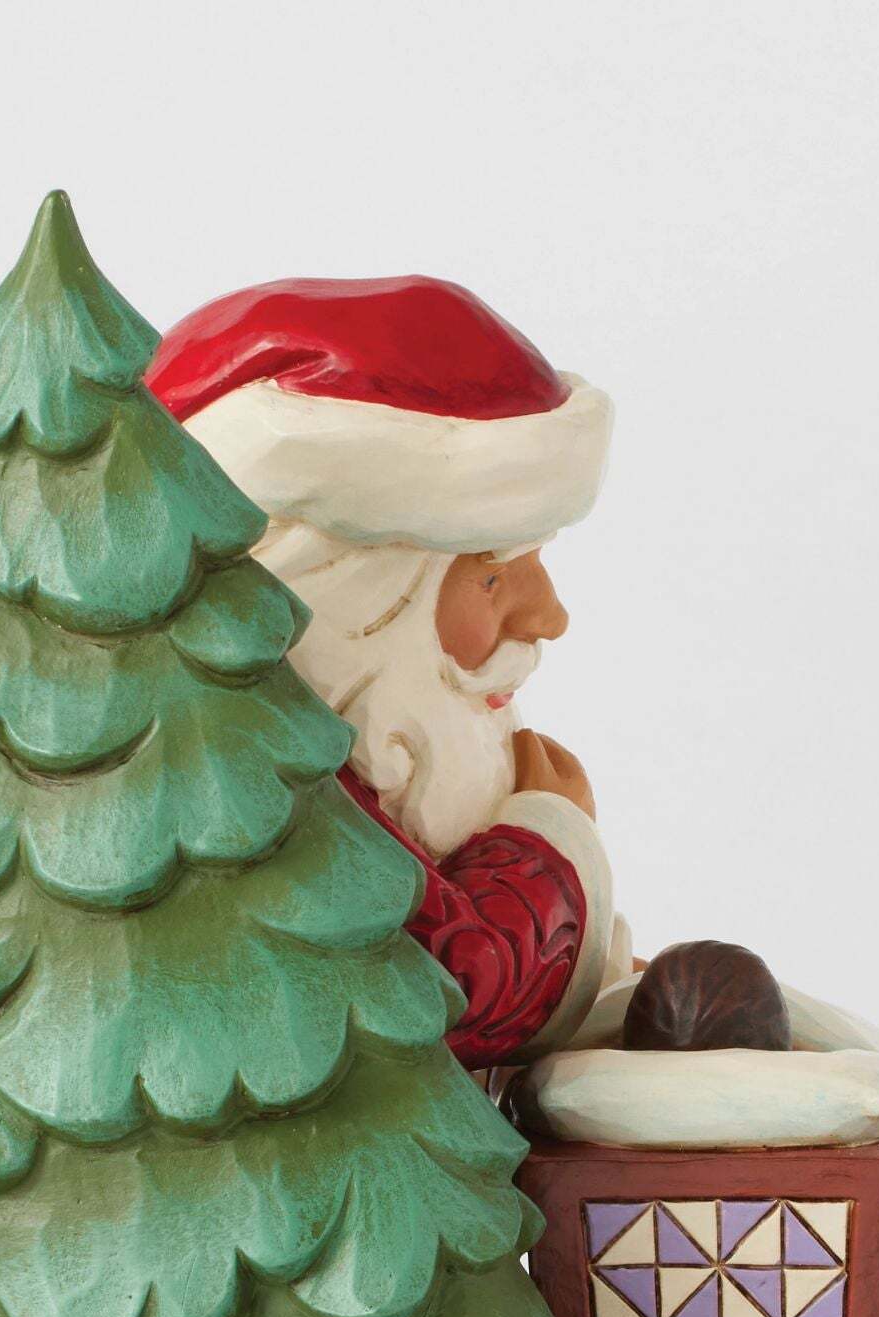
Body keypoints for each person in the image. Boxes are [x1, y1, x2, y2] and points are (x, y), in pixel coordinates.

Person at [149, 277, 625, 1066]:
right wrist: (549, 842)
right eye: (494, 577)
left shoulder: (334, 754)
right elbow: (443, 997)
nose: (549, 617)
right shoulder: (272, 785)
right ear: (351, 591)